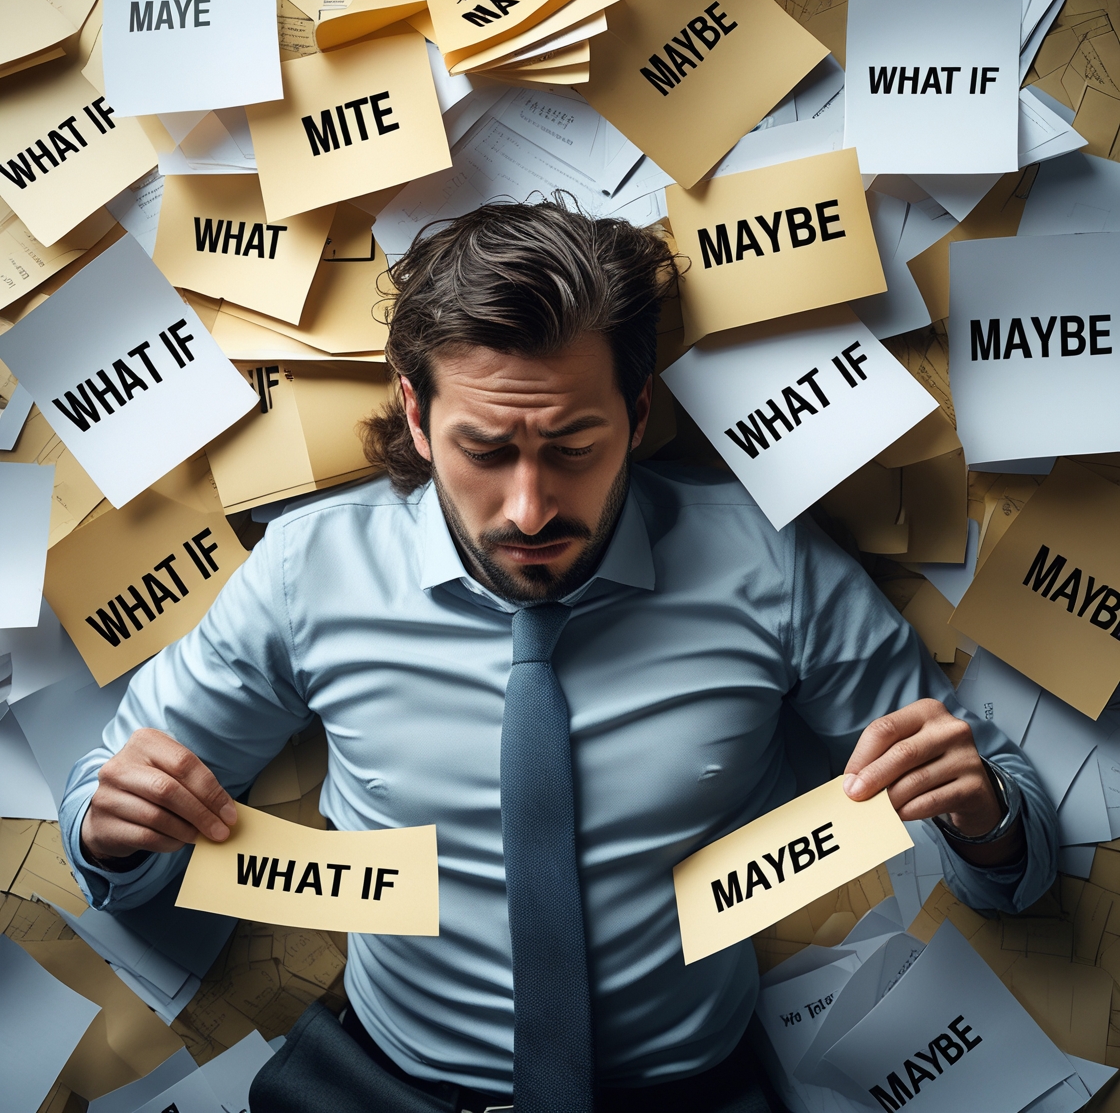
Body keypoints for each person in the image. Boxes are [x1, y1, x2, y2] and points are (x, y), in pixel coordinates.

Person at [61, 199, 1057, 1113]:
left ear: (636, 411)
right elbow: (107, 812)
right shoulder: (308, 571)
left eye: (574, 443)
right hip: (381, 1086)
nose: (530, 507)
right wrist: (111, 830)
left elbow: (1007, 847)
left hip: (687, 1093)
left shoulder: (772, 566)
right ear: (415, 413)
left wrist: (985, 817)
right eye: (485, 449)